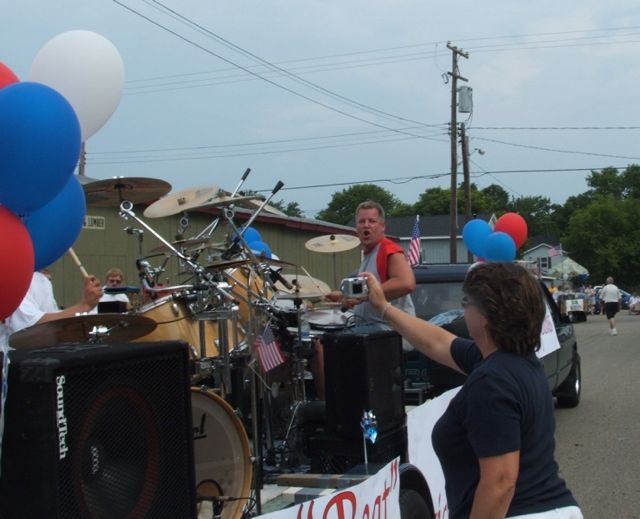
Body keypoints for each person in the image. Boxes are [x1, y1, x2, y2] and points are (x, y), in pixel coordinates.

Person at [363, 262, 582, 519]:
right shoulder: (513, 360)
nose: (462, 310)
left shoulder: (492, 381)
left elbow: (500, 483)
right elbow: (438, 342)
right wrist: (385, 308)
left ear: (486, 316)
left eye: (465, 302)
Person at [312, 200, 416, 399]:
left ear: (382, 226)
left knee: (321, 347)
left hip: (386, 331)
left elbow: (406, 283)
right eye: (361, 222)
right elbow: (364, 295)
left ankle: (331, 408)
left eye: (372, 221)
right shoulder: (368, 256)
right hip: (370, 328)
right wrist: (343, 297)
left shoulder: (388, 249)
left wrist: (364, 296)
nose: (366, 225)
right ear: (356, 228)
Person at [1, 270, 103, 347]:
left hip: (44, 359)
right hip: (17, 364)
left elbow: (52, 317)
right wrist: (84, 306)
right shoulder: (10, 278)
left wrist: (88, 308)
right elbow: (32, 326)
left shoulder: (42, 280)